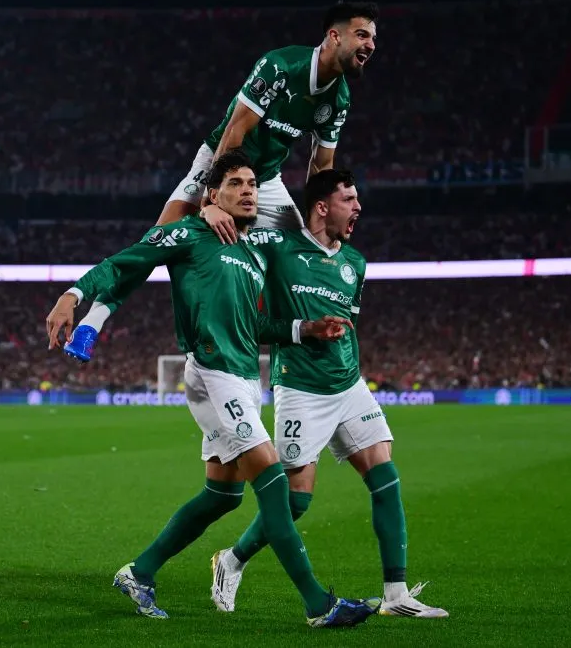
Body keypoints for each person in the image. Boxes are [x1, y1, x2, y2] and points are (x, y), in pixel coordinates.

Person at [45, 150, 379, 627]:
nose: (248, 190)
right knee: (272, 482)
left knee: (223, 495)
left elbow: (257, 324)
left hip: (242, 374)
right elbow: (126, 263)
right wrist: (74, 296)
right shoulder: (193, 234)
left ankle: (139, 572)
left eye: (251, 184)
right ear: (214, 194)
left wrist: (304, 330)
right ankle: (318, 604)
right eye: (236, 183)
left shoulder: (253, 250)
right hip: (213, 368)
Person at [65, 1, 379, 361]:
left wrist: (320, 220)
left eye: (373, 38)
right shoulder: (281, 66)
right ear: (334, 35)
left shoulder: (339, 98)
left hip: (266, 181)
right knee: (158, 239)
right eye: (362, 35)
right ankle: (92, 322)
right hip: (217, 162)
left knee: (302, 252)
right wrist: (212, 203)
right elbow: (235, 131)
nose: (370, 44)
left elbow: (322, 166)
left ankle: (300, 351)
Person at [209, 169, 448, 618]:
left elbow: (348, 322)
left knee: (385, 474)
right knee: (296, 499)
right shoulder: (278, 248)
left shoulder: (355, 263)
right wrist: (207, 207)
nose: (358, 208)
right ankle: (231, 559)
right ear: (323, 206)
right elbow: (251, 316)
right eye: (349, 199)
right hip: (301, 389)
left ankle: (395, 595)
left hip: (349, 384)